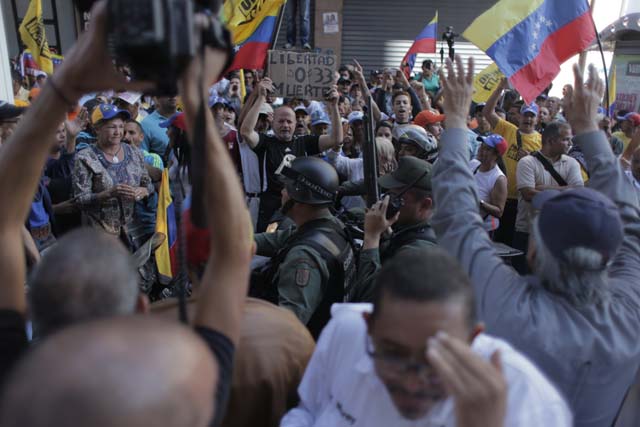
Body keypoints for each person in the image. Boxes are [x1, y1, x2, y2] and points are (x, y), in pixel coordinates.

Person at [0, 5, 253, 425]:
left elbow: (5, 222)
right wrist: (193, 97)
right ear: (140, 308)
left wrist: (67, 82)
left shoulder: (15, 389)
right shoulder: (188, 390)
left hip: (134, 234)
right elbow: (234, 250)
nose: (117, 130)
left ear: (32, 317)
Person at [431, 54, 640, 427]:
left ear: (533, 251)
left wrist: (457, 119)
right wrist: (590, 131)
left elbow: (457, 217)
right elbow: (632, 221)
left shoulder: (508, 307)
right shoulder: (630, 313)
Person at [281, 248, 571, 426]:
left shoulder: (529, 403)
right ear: (369, 327)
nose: (411, 382)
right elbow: (309, 410)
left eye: (436, 360)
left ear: (472, 339)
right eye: (393, 353)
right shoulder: (346, 332)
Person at [251, 157, 356, 338]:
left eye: (286, 188)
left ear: (298, 197)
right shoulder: (332, 226)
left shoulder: (303, 258)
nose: (282, 192)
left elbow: (286, 330)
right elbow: (278, 239)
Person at [240, 77, 342, 232]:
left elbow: (336, 139)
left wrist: (333, 106)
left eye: (289, 122)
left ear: (296, 124)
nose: (285, 125)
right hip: (269, 209)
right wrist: (261, 98)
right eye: (281, 121)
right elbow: (246, 132)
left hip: (298, 208)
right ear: (272, 123)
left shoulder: (303, 142)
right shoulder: (265, 142)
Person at [353, 156, 437, 302]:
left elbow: (370, 300)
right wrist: (388, 234)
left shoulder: (418, 254)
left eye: (395, 197)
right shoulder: (414, 227)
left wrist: (372, 237)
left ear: (424, 205)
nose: (387, 201)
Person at [73, 103, 154, 247]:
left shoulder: (134, 152)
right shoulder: (85, 158)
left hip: (133, 229)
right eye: (112, 127)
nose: (118, 132)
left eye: (121, 126)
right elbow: (80, 199)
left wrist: (143, 191)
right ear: (97, 128)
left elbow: (147, 183)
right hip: (100, 233)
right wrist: (108, 193)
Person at [512, 121, 584, 274]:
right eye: (566, 139)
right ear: (551, 141)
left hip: (558, 234)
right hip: (526, 231)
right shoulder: (527, 163)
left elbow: (578, 193)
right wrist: (565, 192)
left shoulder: (572, 164)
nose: (570, 144)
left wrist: (544, 189)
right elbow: (528, 194)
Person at [483, 79, 542, 246]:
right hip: (500, 198)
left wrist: (531, 159)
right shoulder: (507, 128)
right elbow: (488, 112)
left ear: (537, 120)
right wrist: (500, 87)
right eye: (526, 115)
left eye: (532, 116)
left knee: (514, 244)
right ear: (520, 116)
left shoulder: (542, 141)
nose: (528, 119)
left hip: (524, 201)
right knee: (497, 243)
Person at [469, 134, 508, 237]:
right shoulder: (473, 164)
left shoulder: (498, 179)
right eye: (481, 146)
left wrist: (479, 202)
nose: (481, 150)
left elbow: (499, 211)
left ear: (496, 155)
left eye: (487, 149)